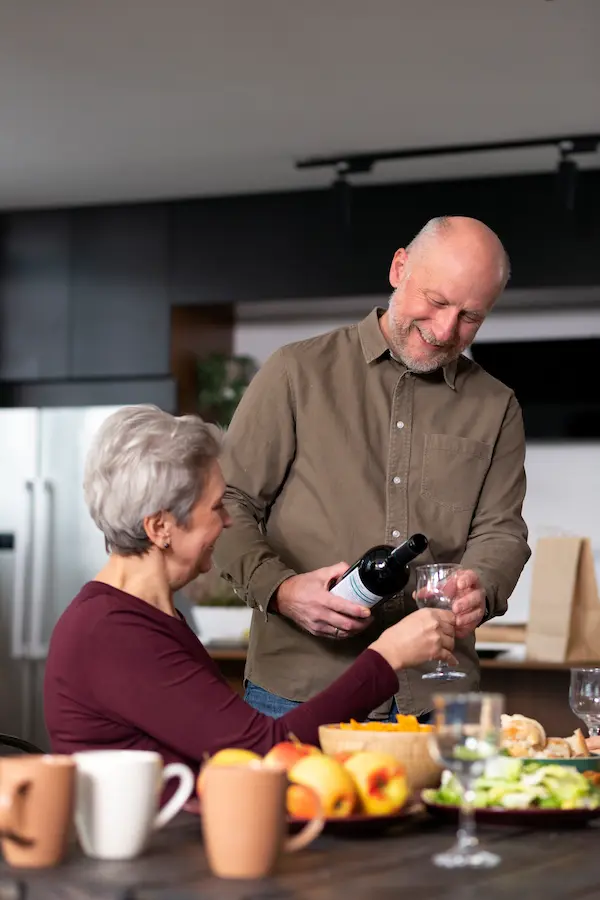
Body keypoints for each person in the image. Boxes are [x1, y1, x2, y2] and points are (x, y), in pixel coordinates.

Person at [213, 215, 531, 722]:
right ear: (399, 267)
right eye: (438, 301)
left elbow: (502, 531)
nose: (447, 330)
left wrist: (483, 584)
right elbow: (227, 502)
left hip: (437, 695)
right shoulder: (296, 372)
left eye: (471, 317)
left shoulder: (497, 405)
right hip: (301, 689)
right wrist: (282, 591)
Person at [44, 405, 457, 778]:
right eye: (216, 507)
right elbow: (262, 749)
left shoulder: (144, 614)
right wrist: (387, 659)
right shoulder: (111, 632)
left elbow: (228, 742)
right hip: (155, 854)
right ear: (160, 527)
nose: (227, 522)